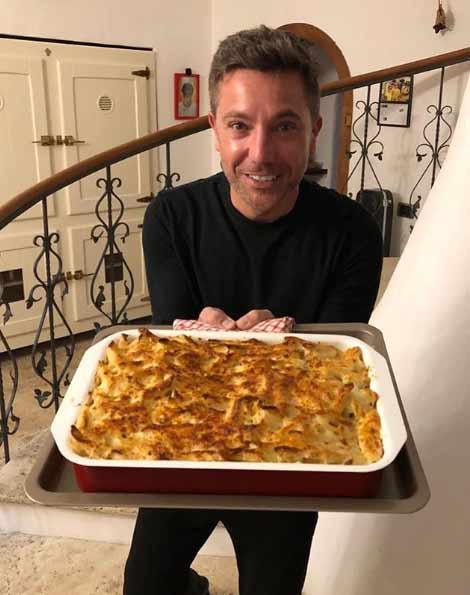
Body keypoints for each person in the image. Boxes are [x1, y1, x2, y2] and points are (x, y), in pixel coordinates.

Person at [124, 25, 382, 595]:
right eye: (239, 125)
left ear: (313, 130)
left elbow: (334, 369)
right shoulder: (171, 216)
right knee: (146, 587)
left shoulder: (353, 232)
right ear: (214, 128)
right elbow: (169, 356)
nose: (260, 153)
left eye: (284, 126)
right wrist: (220, 338)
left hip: (289, 457)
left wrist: (258, 347)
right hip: (182, 449)